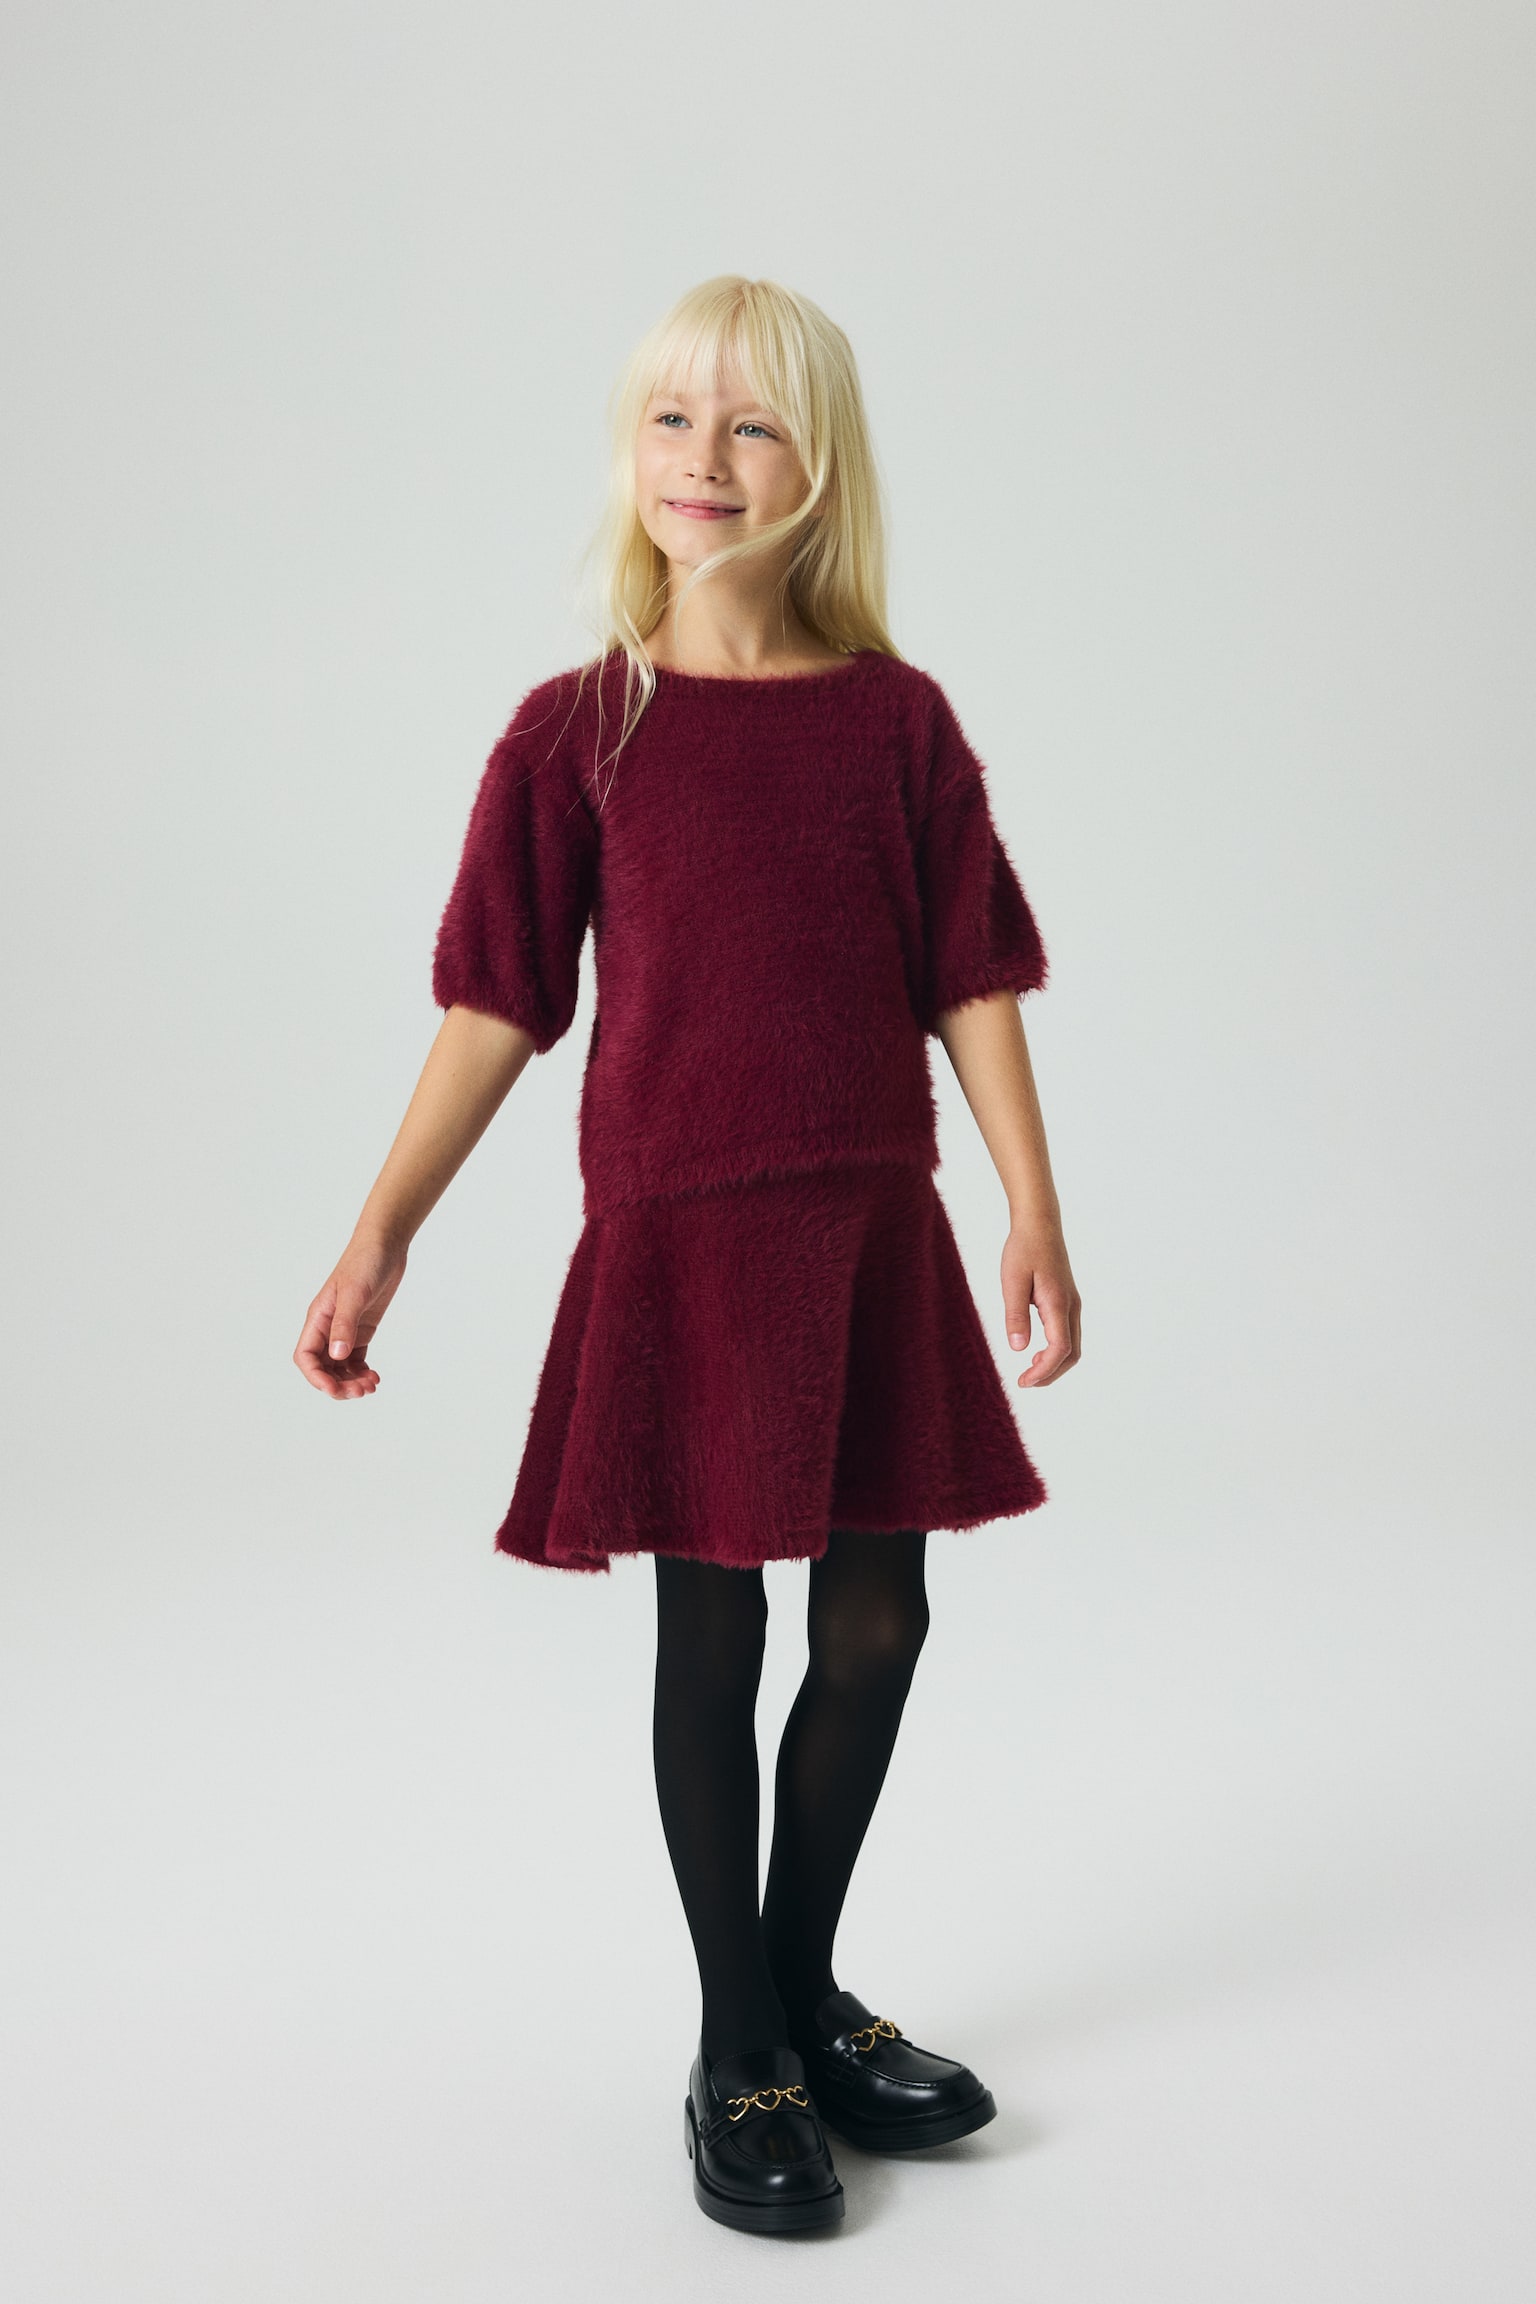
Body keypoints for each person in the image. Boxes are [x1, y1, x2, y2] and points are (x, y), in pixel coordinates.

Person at [294, 274, 1082, 2237]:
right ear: (629, 450)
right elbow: (496, 1003)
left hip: (866, 1218)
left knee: (880, 1625)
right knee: (713, 1638)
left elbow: (969, 971)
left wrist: (1031, 1203)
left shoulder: (896, 722)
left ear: (818, 469)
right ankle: (738, 2047)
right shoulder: (580, 732)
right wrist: (381, 1233)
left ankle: (795, 1993)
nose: (704, 460)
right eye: (672, 418)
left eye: (751, 425)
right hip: (686, 1232)